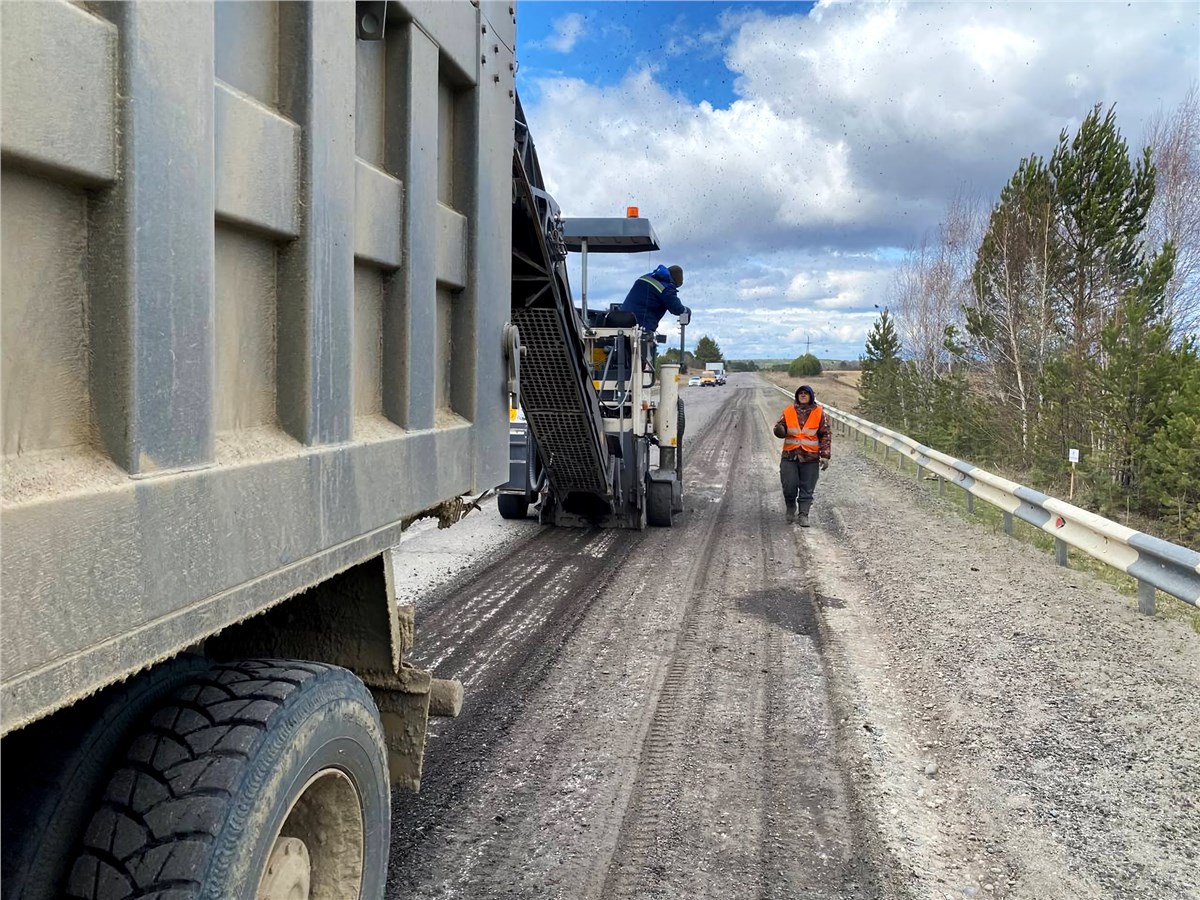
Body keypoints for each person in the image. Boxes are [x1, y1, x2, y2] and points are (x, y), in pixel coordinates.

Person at [773, 384, 831, 527]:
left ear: (811, 396)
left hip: (810, 457)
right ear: (797, 396)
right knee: (789, 485)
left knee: (807, 487)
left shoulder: (819, 413)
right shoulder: (788, 411)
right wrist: (779, 430)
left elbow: (825, 435)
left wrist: (825, 455)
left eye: (806, 393)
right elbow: (780, 428)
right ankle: (790, 507)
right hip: (790, 456)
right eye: (800, 393)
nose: (803, 395)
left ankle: (803, 515)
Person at [620, 264, 690, 332]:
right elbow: (676, 308)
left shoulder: (647, 276)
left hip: (621, 319)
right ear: (675, 281)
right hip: (640, 324)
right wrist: (686, 310)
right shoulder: (667, 287)